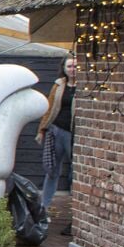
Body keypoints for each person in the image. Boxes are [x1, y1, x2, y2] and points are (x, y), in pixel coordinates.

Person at [37, 56, 77, 218]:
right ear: (64, 68)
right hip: (56, 130)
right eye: (69, 66)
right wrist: (42, 129)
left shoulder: (85, 87)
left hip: (73, 134)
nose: (72, 69)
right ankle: (43, 207)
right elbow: (49, 107)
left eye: (75, 66)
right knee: (52, 170)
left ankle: (77, 211)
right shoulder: (58, 85)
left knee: (75, 172)